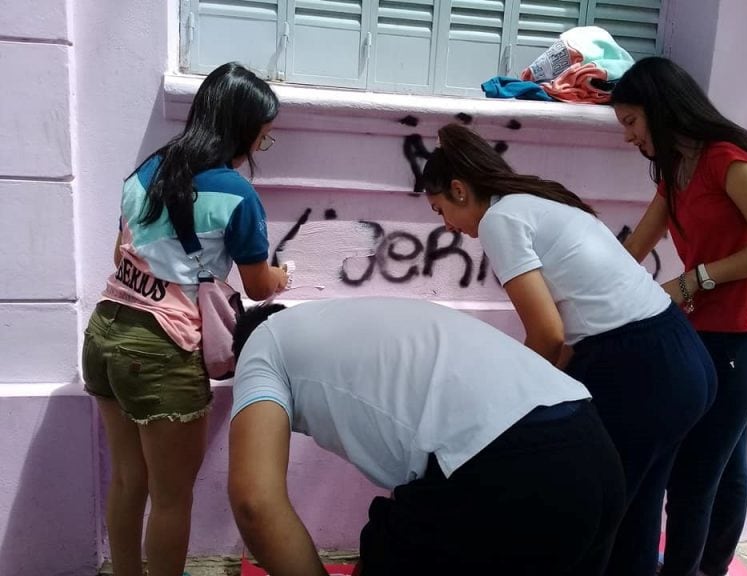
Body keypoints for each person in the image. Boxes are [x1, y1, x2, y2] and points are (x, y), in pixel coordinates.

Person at [420, 123, 716, 576]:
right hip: (680, 355)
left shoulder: (500, 219)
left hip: (641, 367)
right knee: (634, 514)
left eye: (441, 211)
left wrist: (511, 402)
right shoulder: (537, 201)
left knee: (590, 513)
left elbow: (549, 335)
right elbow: (566, 339)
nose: (448, 227)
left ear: (460, 190)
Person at [228, 297, 626, 576]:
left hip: (513, 470)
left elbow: (254, 502)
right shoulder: (355, 320)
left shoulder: (263, 345)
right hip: (596, 452)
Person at [81, 62, 289, 576]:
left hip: (105, 331)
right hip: (161, 349)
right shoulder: (236, 195)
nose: (258, 150)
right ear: (241, 130)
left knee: (129, 481)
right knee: (172, 498)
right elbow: (259, 287)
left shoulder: (145, 171)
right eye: (262, 139)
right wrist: (283, 276)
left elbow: (118, 255)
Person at [612, 56, 747, 576]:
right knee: (727, 460)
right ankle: (711, 566)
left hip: (744, 335)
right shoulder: (677, 169)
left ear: (660, 109)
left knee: (694, 473)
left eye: (632, 122)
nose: (628, 137)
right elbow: (635, 248)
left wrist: (693, 280)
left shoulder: (730, 158)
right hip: (700, 332)